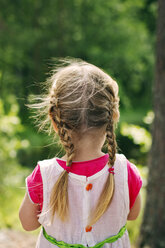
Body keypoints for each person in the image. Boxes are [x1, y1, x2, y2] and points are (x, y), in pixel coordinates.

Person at [19, 59, 142, 248]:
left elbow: (27, 224)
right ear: (113, 116)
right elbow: (132, 214)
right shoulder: (125, 171)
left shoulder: (44, 175)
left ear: (54, 119)